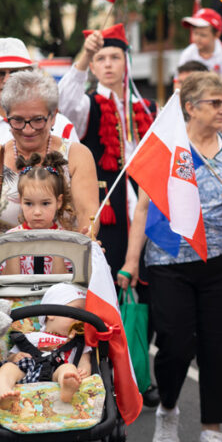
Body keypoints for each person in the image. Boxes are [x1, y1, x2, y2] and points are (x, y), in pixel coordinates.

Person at [118, 72, 222, 442]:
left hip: (220, 262)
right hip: (168, 261)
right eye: (215, 103)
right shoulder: (164, 148)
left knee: (219, 347)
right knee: (174, 344)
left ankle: (212, 433)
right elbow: (144, 208)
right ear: (190, 107)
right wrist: (131, 262)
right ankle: (167, 408)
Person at [57, 24, 154, 275]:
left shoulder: (146, 106)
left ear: (127, 62)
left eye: (115, 57)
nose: (108, 64)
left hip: (145, 200)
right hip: (106, 203)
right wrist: (85, 55)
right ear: (92, 66)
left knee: (147, 276)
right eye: (100, 59)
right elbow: (63, 103)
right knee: (108, 272)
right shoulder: (87, 104)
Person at [2, 69, 99, 236]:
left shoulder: (76, 156)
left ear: (53, 116)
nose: (28, 129)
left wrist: (87, 241)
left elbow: (87, 216)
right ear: (7, 117)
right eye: (17, 120)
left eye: (37, 120)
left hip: (65, 258)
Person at [0, 283, 91, 408]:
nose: (81, 319)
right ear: (51, 314)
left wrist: (84, 370)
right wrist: (14, 357)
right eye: (75, 313)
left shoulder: (79, 342)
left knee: (69, 369)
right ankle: (4, 389)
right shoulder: (30, 336)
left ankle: (67, 387)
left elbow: (85, 361)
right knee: (8, 368)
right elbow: (10, 357)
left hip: (57, 372)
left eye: (84, 315)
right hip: (27, 371)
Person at [1, 152, 75, 276]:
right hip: (18, 295)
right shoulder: (10, 238)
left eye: (45, 203)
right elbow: (9, 285)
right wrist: (12, 248)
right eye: (29, 203)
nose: (37, 212)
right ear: (20, 201)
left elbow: (63, 285)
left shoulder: (67, 240)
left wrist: (59, 247)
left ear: (58, 202)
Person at [0, 38, 78, 145]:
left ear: (30, 74)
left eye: (15, 72)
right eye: (0, 73)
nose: (6, 80)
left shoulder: (61, 125)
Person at [178, 8, 222, 95]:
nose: (197, 38)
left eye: (203, 35)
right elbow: (178, 81)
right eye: (195, 33)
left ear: (216, 34)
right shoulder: (187, 54)